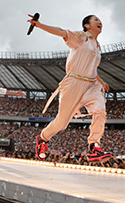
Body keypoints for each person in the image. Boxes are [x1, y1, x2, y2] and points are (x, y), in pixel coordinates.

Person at [28, 14, 113, 162]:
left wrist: (101, 81)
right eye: (96, 20)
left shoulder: (97, 46)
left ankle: (94, 146)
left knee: (100, 110)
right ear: (87, 25)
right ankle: (42, 139)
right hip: (73, 83)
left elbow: (91, 68)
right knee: (61, 123)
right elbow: (62, 32)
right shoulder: (81, 37)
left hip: (91, 84)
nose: (100, 22)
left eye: (100, 20)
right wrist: (39, 25)